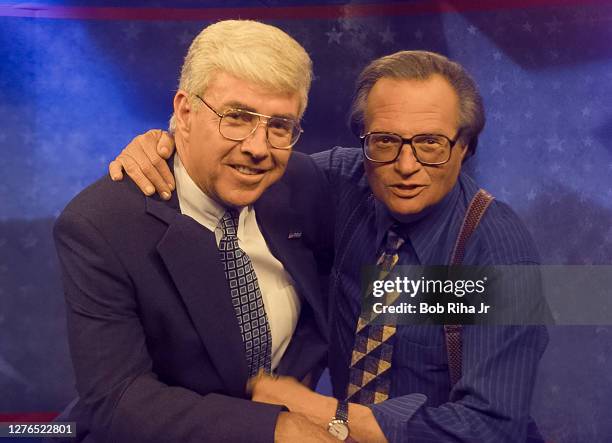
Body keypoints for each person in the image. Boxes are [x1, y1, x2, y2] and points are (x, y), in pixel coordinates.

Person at [110, 51, 549, 442]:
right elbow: (246, 163)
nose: (406, 165)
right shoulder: (343, 182)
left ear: (465, 145)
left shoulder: (497, 249)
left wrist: (320, 410)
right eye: (386, 141)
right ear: (366, 141)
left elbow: (491, 426)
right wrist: (167, 146)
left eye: (431, 143)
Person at [54, 20, 338, 443]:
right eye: (237, 117)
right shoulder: (100, 225)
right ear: (184, 112)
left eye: (279, 125)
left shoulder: (304, 180)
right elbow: (117, 400)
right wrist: (275, 428)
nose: (258, 148)